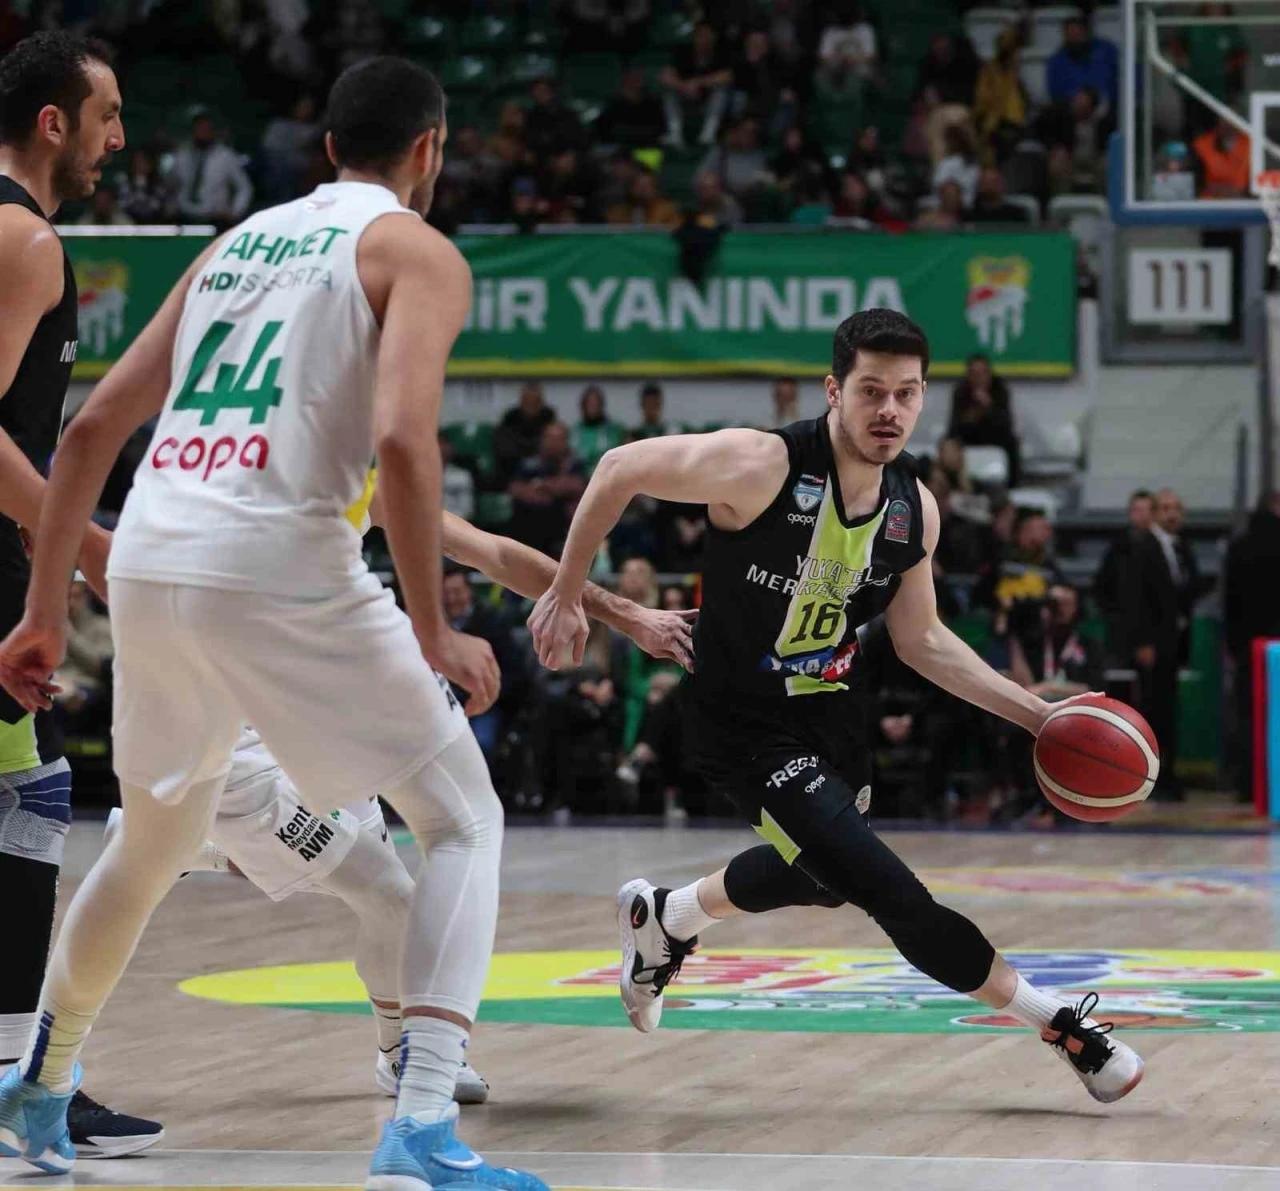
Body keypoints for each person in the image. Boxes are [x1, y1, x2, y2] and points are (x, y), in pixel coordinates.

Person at [0, 57, 548, 1191]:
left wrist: (44, 611)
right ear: (430, 150)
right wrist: (437, 631)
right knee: (461, 819)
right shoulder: (417, 252)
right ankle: (421, 1122)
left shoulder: (235, 243)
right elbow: (402, 441)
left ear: (327, 147)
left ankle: (38, 1086)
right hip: (278, 562)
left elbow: (91, 430)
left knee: (149, 846)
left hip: (153, 557)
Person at [529, 308, 1143, 1104]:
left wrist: (1039, 716)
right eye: (871, 390)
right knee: (887, 889)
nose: (890, 409)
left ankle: (667, 915)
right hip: (742, 721)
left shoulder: (913, 508)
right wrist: (567, 591)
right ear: (833, 391)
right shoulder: (761, 465)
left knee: (824, 878)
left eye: (907, 393)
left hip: (830, 712)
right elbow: (617, 467)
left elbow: (922, 639)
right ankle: (1061, 1025)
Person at [102, 501, 696, 1108]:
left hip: (325, 711)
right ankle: (401, 1056)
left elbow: (490, 551)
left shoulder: (365, 471)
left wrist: (626, 614)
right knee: (392, 899)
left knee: (378, 888)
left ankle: (175, 845)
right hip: (234, 733)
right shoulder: (232, 473)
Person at [0, 30, 163, 1160]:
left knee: (29, 796)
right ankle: (26, 1079)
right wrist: (81, 545)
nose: (117, 138)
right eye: (105, 116)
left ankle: (28, 1074)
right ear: (54, 121)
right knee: (31, 799)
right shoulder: (24, 238)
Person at [1223, 490, 1280, 797]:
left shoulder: (1240, 546)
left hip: (1247, 644)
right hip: (1276, 645)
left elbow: (1230, 602)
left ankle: (1247, 783)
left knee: (1248, 712)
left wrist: (1234, 644)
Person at [507, 420, 587, 556]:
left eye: (559, 439)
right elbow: (515, 488)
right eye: (550, 438)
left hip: (563, 521)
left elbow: (578, 485)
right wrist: (546, 492)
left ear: (566, 441)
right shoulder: (529, 464)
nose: (553, 443)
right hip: (533, 519)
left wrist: (542, 485)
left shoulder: (575, 463)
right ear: (542, 439)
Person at [166, 108, 252, 229]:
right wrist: (170, 206)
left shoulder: (225, 156)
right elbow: (170, 182)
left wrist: (234, 212)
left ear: (213, 131)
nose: (202, 133)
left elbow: (244, 188)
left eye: (206, 129)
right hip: (184, 217)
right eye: (198, 129)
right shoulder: (182, 154)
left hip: (214, 218)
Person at [1094, 488, 1153, 661]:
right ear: (1130, 513)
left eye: (1147, 510)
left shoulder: (1166, 547)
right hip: (1122, 632)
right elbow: (1102, 587)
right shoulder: (1118, 548)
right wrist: (1115, 617)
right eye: (1137, 510)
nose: (1143, 516)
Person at [947, 352, 1020, 486]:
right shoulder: (961, 391)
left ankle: (1012, 486)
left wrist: (989, 406)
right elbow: (955, 426)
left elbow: (1006, 423)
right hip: (969, 435)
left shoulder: (999, 389)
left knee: (1013, 442)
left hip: (995, 435)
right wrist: (973, 414)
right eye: (974, 374)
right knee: (948, 444)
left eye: (982, 373)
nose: (978, 378)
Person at [660, 20, 732, 149]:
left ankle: (708, 135)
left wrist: (699, 83)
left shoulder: (721, 53)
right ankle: (675, 135)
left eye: (708, 35)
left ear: (714, 38)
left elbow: (727, 76)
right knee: (668, 93)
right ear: (694, 37)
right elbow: (665, 76)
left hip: (706, 103)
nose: (704, 39)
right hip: (684, 100)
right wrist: (683, 86)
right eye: (701, 35)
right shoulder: (683, 52)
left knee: (721, 92)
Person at [1046, 13, 1119, 111]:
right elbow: (1056, 94)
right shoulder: (1057, 62)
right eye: (1070, 36)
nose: (1075, 39)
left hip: (1109, 108)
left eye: (1078, 34)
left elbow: (1122, 81)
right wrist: (1078, 98)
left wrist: (1096, 97)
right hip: (1074, 112)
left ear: (1086, 33)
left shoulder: (1107, 51)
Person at [494, 380, 555, 480]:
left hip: (545, 470)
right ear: (521, 401)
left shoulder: (549, 419)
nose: (531, 406)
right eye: (528, 401)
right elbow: (505, 450)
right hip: (514, 469)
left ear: (541, 402)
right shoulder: (509, 420)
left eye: (535, 402)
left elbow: (554, 449)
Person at [595, 67, 665, 151]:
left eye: (636, 80)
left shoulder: (653, 104)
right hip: (617, 149)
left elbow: (660, 130)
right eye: (629, 80)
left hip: (647, 148)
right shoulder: (612, 105)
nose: (633, 84)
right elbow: (603, 131)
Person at [572, 383, 624, 474]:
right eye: (589, 404)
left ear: (602, 405)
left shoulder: (614, 430)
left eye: (595, 404)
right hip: (580, 476)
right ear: (583, 406)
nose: (592, 408)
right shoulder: (574, 432)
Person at [606, 165, 680, 228]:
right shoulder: (616, 213)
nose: (643, 190)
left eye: (647, 186)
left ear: (655, 188)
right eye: (638, 186)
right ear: (629, 188)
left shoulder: (669, 211)